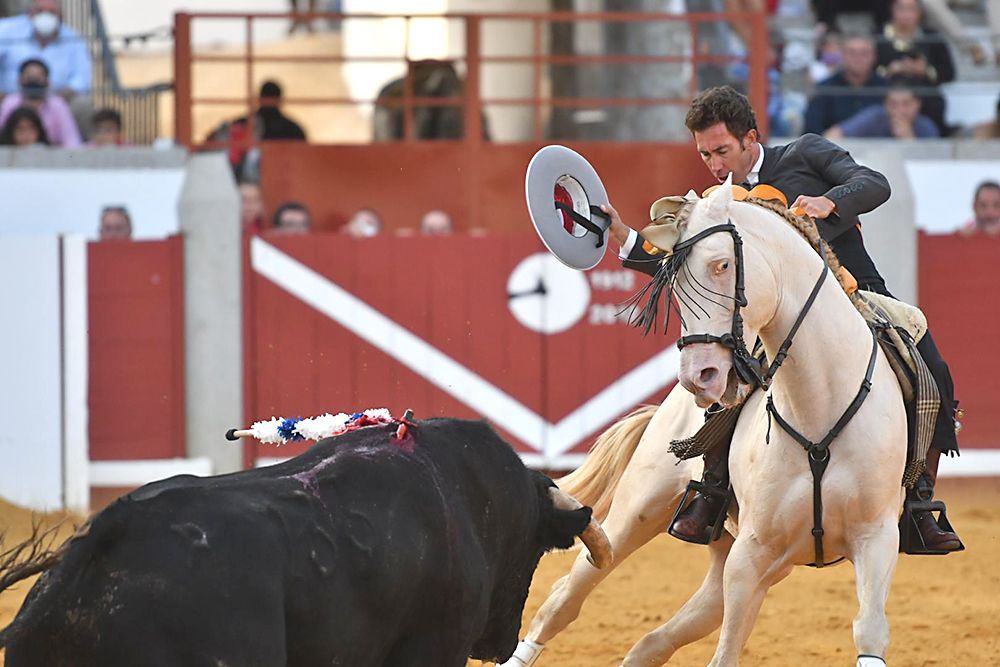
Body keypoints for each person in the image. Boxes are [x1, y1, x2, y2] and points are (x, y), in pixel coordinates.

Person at [603, 85, 962, 551]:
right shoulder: (717, 200)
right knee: (727, 372)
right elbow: (678, 262)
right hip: (775, 320)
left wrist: (830, 201)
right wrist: (620, 234)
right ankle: (710, 491)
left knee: (933, 370)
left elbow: (874, 182)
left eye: (721, 150)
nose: (713, 164)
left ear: (750, 138)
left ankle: (919, 503)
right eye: (705, 154)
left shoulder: (805, 152)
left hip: (857, 297)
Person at [876, 0, 955, 136]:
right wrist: (889, 70)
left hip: (925, 96)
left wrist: (925, 70)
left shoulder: (932, 37)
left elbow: (949, 73)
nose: (906, 14)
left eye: (911, 9)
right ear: (892, 10)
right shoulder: (879, 35)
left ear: (920, 13)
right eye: (901, 9)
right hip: (888, 91)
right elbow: (868, 70)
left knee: (934, 102)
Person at [0, 0, 90, 99]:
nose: (45, 16)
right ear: (30, 13)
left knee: (83, 103)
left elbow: (82, 77)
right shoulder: (7, 29)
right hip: (9, 99)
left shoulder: (73, 39)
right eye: (40, 11)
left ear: (61, 16)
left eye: (51, 12)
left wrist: (62, 96)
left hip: (58, 100)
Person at [804, 33, 887, 136]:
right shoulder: (824, 89)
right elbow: (811, 132)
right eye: (852, 53)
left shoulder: (886, 88)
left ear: (874, 56)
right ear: (842, 55)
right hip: (833, 148)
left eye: (864, 53)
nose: (858, 59)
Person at [0, 57, 79, 146]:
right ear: (20, 80)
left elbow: (71, 141)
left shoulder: (58, 104)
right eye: (29, 76)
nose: (33, 80)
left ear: (47, 81)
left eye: (38, 77)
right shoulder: (10, 103)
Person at [825, 80, 939, 139]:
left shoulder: (927, 127)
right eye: (893, 104)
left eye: (906, 104)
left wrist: (909, 139)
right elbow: (834, 135)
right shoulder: (874, 117)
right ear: (885, 104)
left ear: (917, 104)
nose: (899, 110)